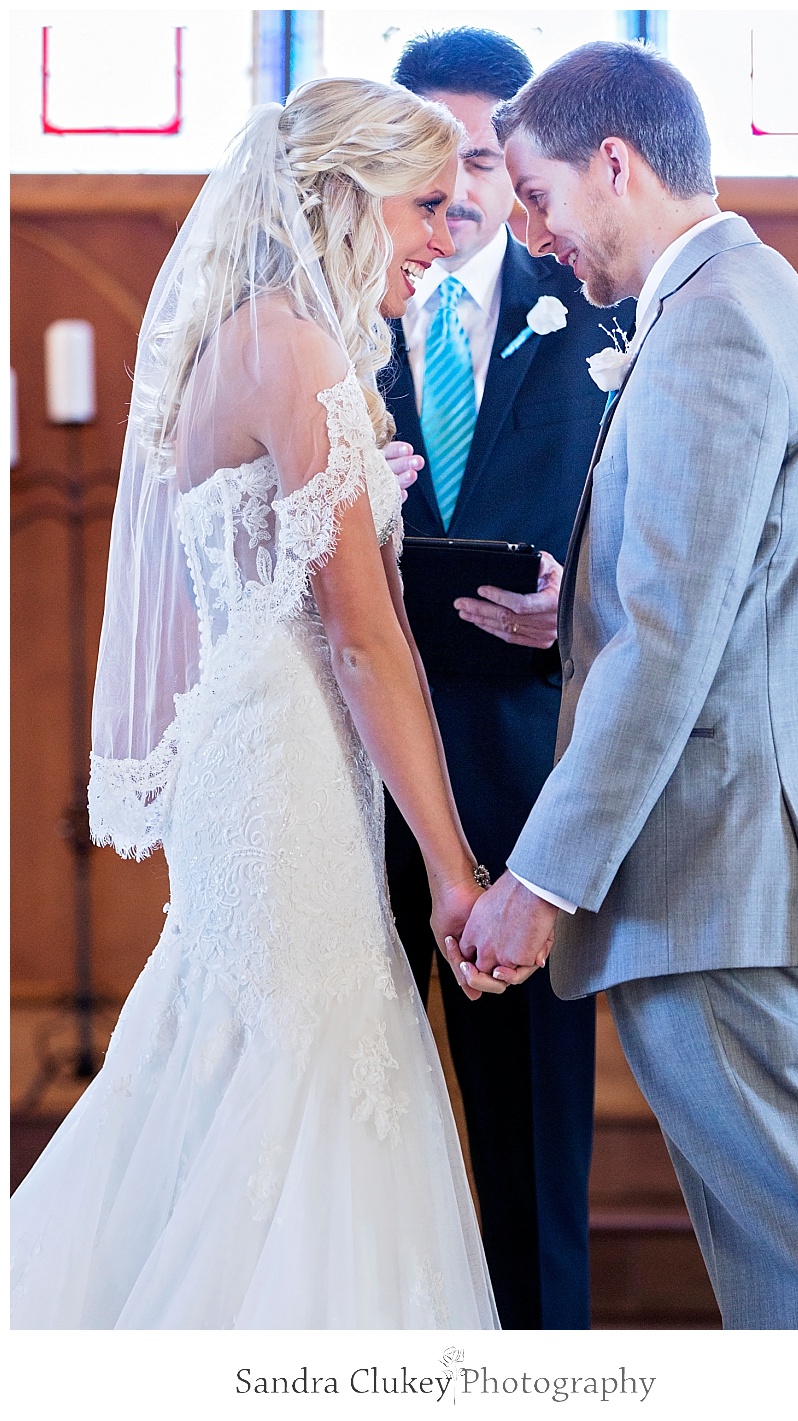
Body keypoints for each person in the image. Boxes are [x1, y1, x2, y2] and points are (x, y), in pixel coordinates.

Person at [10, 78, 502, 1330]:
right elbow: (362, 637)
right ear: (345, 194)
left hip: (252, 748)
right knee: (313, 1053)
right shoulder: (308, 351)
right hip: (290, 766)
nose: (445, 238)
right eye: (426, 207)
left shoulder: (237, 335)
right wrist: (454, 867)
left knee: (232, 1051)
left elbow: (262, 563)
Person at [460, 40, 798, 1329]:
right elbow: (704, 602)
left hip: (720, 881)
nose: (529, 234)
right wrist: (573, 613)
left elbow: (669, 644)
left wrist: (538, 881)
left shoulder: (714, 328)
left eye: (534, 192)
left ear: (614, 161)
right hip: (734, 878)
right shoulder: (747, 301)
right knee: (789, 1271)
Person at [382, 27, 635, 1330]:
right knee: (352, 1147)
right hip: (354, 787)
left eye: (482, 155)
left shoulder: (603, 310)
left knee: (531, 1166)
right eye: (432, 155)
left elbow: (662, 552)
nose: (460, 188)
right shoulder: (337, 313)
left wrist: (573, 611)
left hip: (527, 792)